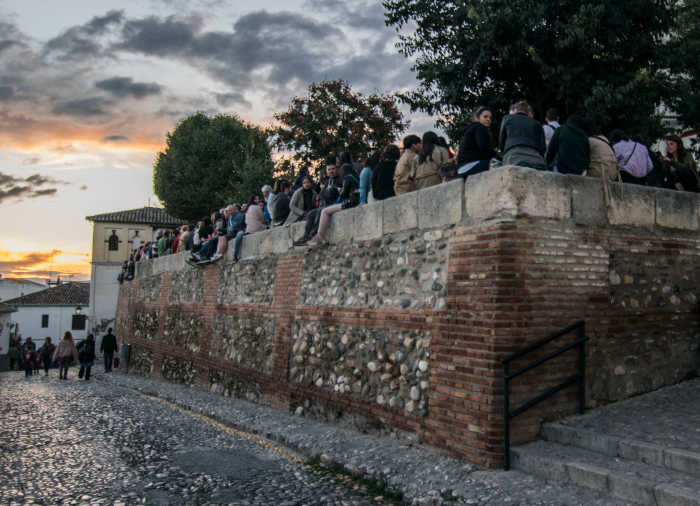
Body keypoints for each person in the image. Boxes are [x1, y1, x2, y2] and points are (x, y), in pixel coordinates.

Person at [306, 157, 360, 246]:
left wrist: (336, 193)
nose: (331, 171)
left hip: (347, 202)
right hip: (345, 201)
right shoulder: (329, 181)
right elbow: (323, 194)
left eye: (333, 169)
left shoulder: (345, 179)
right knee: (312, 214)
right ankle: (307, 236)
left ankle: (318, 237)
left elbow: (343, 194)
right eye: (329, 169)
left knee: (323, 211)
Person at [499, 100, 547, 170]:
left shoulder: (507, 118)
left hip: (513, 156)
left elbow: (502, 141)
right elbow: (543, 147)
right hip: (535, 158)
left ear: (515, 110)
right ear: (528, 112)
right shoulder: (537, 123)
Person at [457, 106, 496, 179]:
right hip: (471, 165)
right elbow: (484, 147)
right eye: (485, 117)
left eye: (490, 118)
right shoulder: (479, 127)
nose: (488, 119)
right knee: (498, 164)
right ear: (477, 118)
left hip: (461, 169)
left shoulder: (469, 130)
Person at [233, 195, 268, 261]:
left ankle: (235, 254)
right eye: (257, 199)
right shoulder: (257, 207)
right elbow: (263, 219)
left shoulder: (247, 209)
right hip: (258, 228)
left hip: (248, 230)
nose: (258, 200)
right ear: (253, 200)